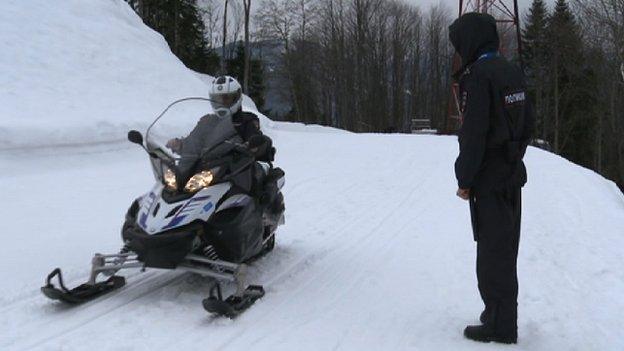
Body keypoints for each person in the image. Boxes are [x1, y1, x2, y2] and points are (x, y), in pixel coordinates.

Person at [449, 13, 534, 344]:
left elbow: (474, 135)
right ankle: (501, 316)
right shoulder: (512, 71)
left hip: (489, 178)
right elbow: (528, 122)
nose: (458, 50)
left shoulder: (479, 77)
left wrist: (465, 178)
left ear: (471, 40)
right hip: (513, 174)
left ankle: (499, 325)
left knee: (492, 254)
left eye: (459, 43)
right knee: (506, 250)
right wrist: (514, 153)